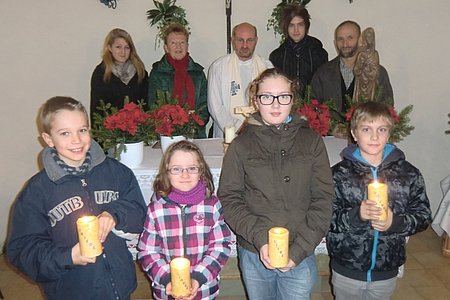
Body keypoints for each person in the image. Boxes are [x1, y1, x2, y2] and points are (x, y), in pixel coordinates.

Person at [7, 96, 147, 299]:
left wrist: (115, 214)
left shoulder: (117, 172)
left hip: (119, 287)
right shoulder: (37, 191)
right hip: (72, 290)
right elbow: (22, 250)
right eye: (65, 133)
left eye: (82, 130)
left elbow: (139, 211)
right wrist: (68, 257)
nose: (76, 140)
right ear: (48, 139)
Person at [218, 68, 334, 299]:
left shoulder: (311, 141)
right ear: (256, 100)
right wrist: (261, 240)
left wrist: (299, 250)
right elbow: (230, 199)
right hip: (254, 252)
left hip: (299, 248)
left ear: (292, 100)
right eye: (267, 97)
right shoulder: (241, 145)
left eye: (283, 96)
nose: (275, 104)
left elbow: (324, 197)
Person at [326, 101, 432, 299]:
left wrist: (395, 222)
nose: (374, 136)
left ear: (389, 133)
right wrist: (356, 215)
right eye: (366, 129)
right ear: (354, 134)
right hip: (347, 267)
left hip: (386, 269)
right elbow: (325, 217)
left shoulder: (408, 174)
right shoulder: (338, 175)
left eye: (381, 129)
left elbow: (423, 216)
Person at [138, 140, 231, 300]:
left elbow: (220, 247)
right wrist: (168, 279)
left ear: (201, 171)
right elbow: (148, 252)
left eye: (192, 168)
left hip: (204, 290)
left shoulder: (211, 206)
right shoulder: (156, 209)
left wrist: (197, 278)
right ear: (166, 172)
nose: (185, 174)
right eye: (177, 169)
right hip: (168, 291)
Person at [311, 20, 393, 115]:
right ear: (335, 42)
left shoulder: (378, 72)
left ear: (360, 40)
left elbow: (387, 107)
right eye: (340, 39)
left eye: (350, 38)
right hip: (330, 130)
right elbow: (313, 107)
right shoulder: (322, 73)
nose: (345, 44)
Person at [207, 22, 273, 138]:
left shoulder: (267, 67)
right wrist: (237, 127)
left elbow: (272, 101)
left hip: (260, 133)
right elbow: (215, 106)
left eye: (250, 40)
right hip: (227, 133)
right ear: (232, 40)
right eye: (240, 40)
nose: (245, 45)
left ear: (256, 40)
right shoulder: (218, 67)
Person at [147, 24, 209, 138]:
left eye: (182, 43)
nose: (178, 47)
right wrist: (173, 125)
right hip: (166, 134)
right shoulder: (157, 73)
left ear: (187, 46)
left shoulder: (198, 73)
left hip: (195, 134)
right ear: (166, 47)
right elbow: (153, 105)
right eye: (173, 43)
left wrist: (192, 124)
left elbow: (205, 105)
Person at [90, 28, 148, 124]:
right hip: (110, 134)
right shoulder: (101, 73)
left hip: (138, 132)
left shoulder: (140, 72)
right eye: (118, 47)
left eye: (127, 47)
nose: (123, 52)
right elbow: (96, 109)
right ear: (109, 47)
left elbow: (146, 106)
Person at [269, 4, 328, 93]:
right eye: (291, 25)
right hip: (285, 104)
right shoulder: (277, 56)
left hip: (314, 105)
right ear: (286, 28)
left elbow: (324, 86)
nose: (296, 30)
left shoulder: (319, 53)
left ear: (306, 26)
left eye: (300, 25)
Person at [353, 27, 379, 102]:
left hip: (371, 86)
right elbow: (356, 71)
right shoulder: (361, 54)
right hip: (360, 85)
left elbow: (375, 73)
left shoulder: (375, 54)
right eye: (367, 37)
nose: (369, 39)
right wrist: (361, 65)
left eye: (370, 37)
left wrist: (367, 71)